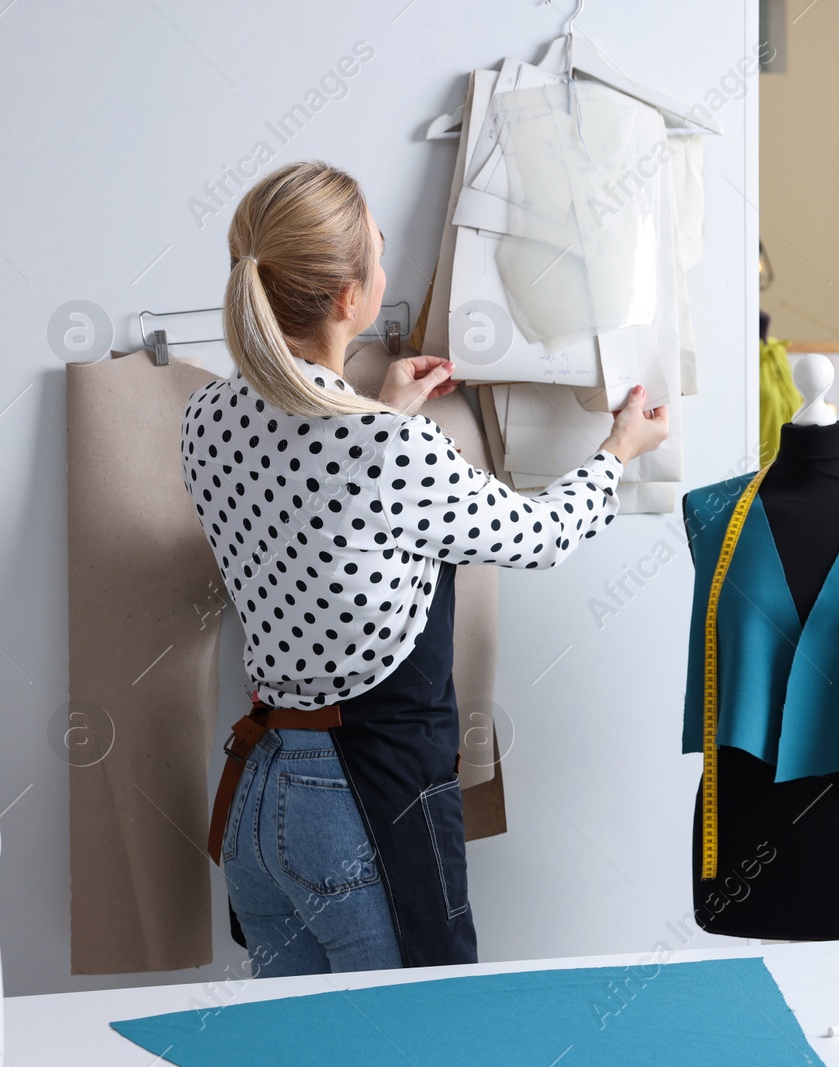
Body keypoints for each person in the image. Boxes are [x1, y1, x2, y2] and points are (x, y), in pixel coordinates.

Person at [179, 160, 668, 975]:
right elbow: (542, 534)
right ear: (348, 297)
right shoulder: (385, 449)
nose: (384, 257)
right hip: (359, 804)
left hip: (259, 808)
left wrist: (387, 408)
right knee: (423, 1040)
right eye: (378, 248)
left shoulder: (206, 416)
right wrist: (620, 449)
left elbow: (314, 514)